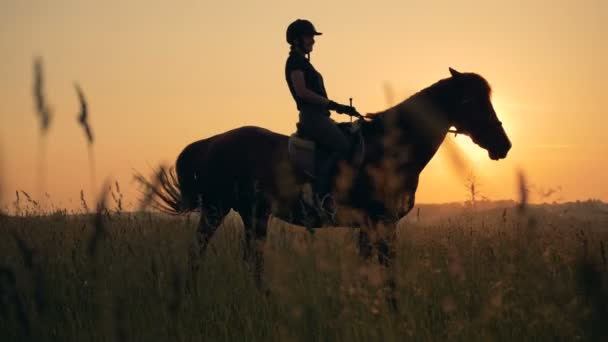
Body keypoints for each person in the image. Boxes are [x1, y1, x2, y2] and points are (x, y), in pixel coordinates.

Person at [284, 19, 359, 208]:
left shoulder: (304, 63)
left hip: (321, 116)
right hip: (312, 117)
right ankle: (324, 196)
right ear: (297, 40)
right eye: (309, 37)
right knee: (343, 146)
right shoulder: (294, 62)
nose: (313, 41)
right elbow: (302, 91)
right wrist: (335, 105)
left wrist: (337, 108)